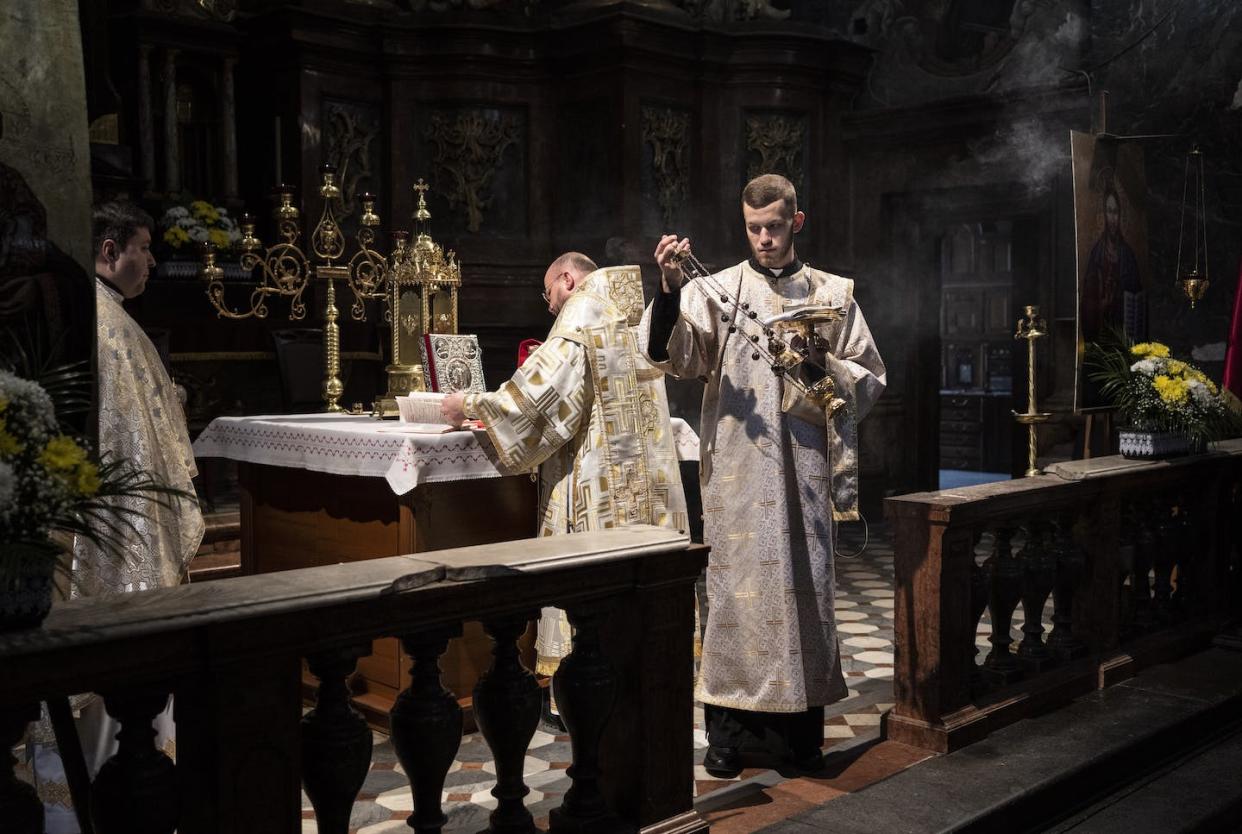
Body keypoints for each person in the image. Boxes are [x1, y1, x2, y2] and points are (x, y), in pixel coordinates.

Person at [642, 174, 886, 777]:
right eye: (754, 228)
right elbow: (669, 357)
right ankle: (728, 735)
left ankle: (801, 738)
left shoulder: (833, 294)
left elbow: (870, 377)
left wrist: (817, 359)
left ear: (796, 222)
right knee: (734, 602)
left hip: (803, 476)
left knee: (805, 600)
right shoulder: (716, 289)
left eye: (775, 226)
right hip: (739, 478)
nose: (764, 239)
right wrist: (670, 288)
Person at [441, 252, 689, 727]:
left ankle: (587, 694)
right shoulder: (631, 310)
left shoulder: (581, 313)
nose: (550, 307)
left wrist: (469, 403)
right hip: (646, 486)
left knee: (590, 604)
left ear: (568, 280)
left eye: (548, 293)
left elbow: (538, 402)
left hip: (598, 483)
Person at [27, 202, 204, 833]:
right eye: (143, 249)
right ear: (109, 251)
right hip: (116, 539)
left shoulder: (103, 319)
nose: (152, 261)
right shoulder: (101, 323)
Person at [1081, 184, 1143, 346]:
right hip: (1101, 331)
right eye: (1109, 211)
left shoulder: (1127, 255)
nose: (1113, 218)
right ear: (1104, 214)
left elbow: (1137, 296)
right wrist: (1100, 305)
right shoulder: (1097, 254)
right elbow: (1088, 299)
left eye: (1116, 212)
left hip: (1123, 331)